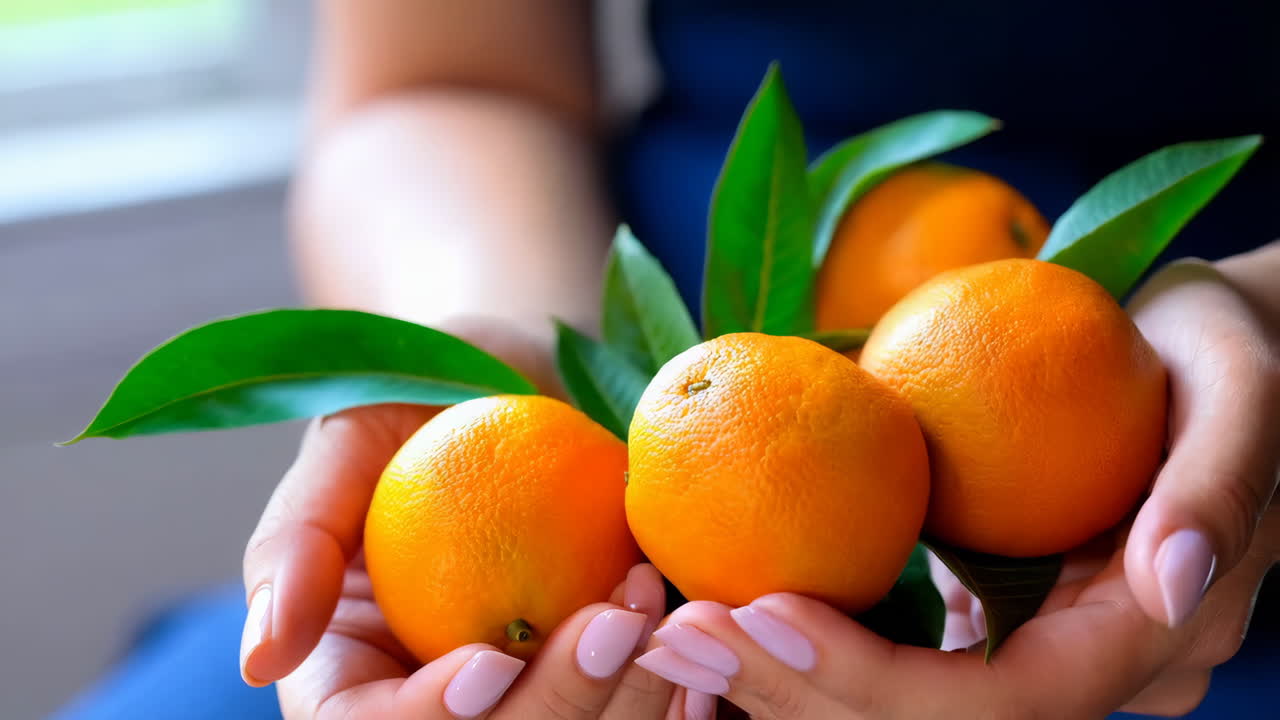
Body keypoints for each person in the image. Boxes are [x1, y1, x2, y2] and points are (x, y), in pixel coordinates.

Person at [57, 1, 1278, 718]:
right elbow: (446, 80)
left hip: (1158, 481)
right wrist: (512, 346)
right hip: (639, 455)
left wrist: (1259, 324)